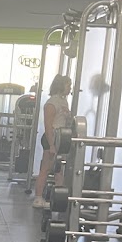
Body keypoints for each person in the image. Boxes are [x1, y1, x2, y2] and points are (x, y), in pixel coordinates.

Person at [32, 74, 73, 208]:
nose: (70, 88)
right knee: (46, 168)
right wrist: (51, 145)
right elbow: (48, 126)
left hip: (62, 138)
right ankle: (38, 198)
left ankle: (58, 199)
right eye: (68, 85)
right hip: (52, 137)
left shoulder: (64, 102)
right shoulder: (51, 103)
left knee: (59, 170)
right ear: (61, 86)